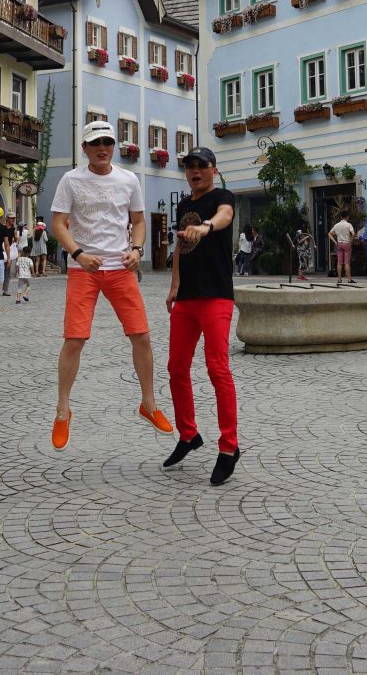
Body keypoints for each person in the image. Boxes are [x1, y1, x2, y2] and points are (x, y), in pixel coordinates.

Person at [49, 119, 171, 449]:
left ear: (114, 146)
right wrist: (78, 253)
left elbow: (139, 221)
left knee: (141, 335)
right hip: (83, 270)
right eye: (95, 143)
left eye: (107, 142)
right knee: (74, 339)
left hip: (120, 267)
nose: (102, 148)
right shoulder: (71, 179)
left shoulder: (128, 179)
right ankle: (63, 410)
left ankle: (149, 404)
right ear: (84, 148)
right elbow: (58, 223)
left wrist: (137, 250)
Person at [164, 146, 242, 485]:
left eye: (201, 165)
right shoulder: (184, 205)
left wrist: (207, 226)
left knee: (217, 369)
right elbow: (181, 246)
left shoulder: (223, 197)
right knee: (176, 368)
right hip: (187, 298)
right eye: (190, 166)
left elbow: (224, 216)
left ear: (214, 169)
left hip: (216, 297)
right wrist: (174, 285)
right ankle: (188, 434)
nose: (195, 171)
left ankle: (229, 447)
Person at [330, 213, 357, 284]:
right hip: (346, 243)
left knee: (339, 262)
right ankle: (349, 279)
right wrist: (350, 242)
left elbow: (329, 233)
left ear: (341, 217)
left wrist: (335, 242)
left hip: (339, 243)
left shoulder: (336, 225)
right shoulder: (348, 225)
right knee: (347, 262)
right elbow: (353, 234)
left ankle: (339, 279)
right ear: (347, 217)